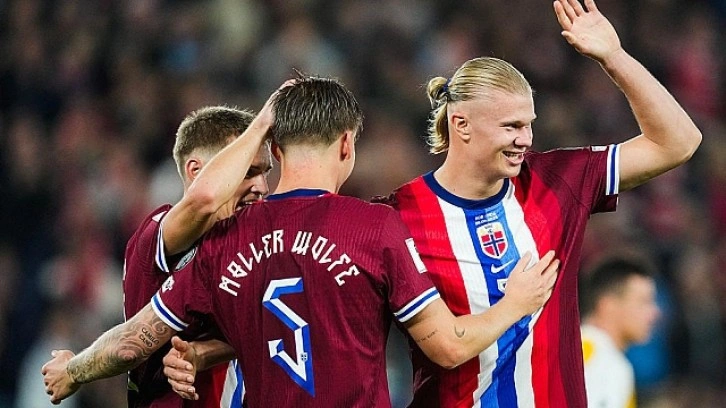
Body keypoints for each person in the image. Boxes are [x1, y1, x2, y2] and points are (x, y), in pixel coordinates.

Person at [42, 75, 560, 407]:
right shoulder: (373, 227)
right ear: (346, 144)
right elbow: (448, 347)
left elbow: (133, 340)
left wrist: (76, 371)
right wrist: (516, 303)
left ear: (275, 151)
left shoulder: (224, 241)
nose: (253, 184)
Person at [382, 0, 701, 406]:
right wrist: (515, 304)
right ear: (461, 124)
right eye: (511, 126)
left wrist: (614, 57)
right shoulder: (398, 216)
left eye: (529, 124)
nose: (526, 139)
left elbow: (678, 142)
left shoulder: (555, 182)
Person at [122, 104, 273, 408]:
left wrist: (203, 353)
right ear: (196, 171)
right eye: (247, 171)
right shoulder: (157, 237)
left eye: (265, 172)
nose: (262, 187)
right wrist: (262, 123)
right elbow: (203, 200)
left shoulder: (248, 247)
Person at [579, 257, 660, 408]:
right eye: (644, 302)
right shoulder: (600, 361)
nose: (655, 312)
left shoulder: (579, 349)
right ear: (607, 305)